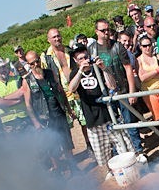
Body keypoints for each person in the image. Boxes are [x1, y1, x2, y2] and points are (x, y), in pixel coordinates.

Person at [68, 44, 132, 181]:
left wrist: (103, 68)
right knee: (103, 155)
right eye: (80, 58)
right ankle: (113, 174)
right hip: (92, 120)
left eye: (86, 57)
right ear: (75, 61)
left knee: (124, 145)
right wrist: (80, 71)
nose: (85, 60)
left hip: (108, 114)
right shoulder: (75, 73)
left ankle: (129, 170)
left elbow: (112, 86)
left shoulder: (97, 68)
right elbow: (71, 89)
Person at [89, 19, 145, 159]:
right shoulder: (92, 50)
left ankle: (138, 151)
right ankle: (119, 155)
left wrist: (132, 92)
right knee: (111, 127)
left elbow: (128, 69)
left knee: (130, 123)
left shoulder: (118, 46)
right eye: (103, 30)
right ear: (96, 32)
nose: (107, 33)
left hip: (122, 90)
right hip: (105, 93)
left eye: (108, 30)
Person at [23, 49, 75, 173]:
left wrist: (68, 109)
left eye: (37, 61)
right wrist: (35, 122)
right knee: (52, 146)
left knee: (67, 141)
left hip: (59, 112)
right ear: (28, 65)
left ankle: (73, 167)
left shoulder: (50, 73)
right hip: (45, 118)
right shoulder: (27, 80)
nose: (36, 65)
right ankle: (58, 170)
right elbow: (28, 104)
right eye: (32, 63)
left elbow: (61, 90)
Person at [46, 28, 90, 152]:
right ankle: (70, 155)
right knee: (66, 127)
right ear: (48, 40)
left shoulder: (70, 51)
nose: (57, 39)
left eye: (58, 36)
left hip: (76, 91)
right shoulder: (46, 57)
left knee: (84, 121)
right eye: (53, 37)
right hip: (61, 95)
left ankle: (89, 146)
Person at [0, 56, 37, 134]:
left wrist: (2, 99)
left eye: (3, 67)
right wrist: (17, 100)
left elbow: (23, 92)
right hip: (9, 125)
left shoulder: (18, 79)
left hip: (25, 119)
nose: (2, 70)